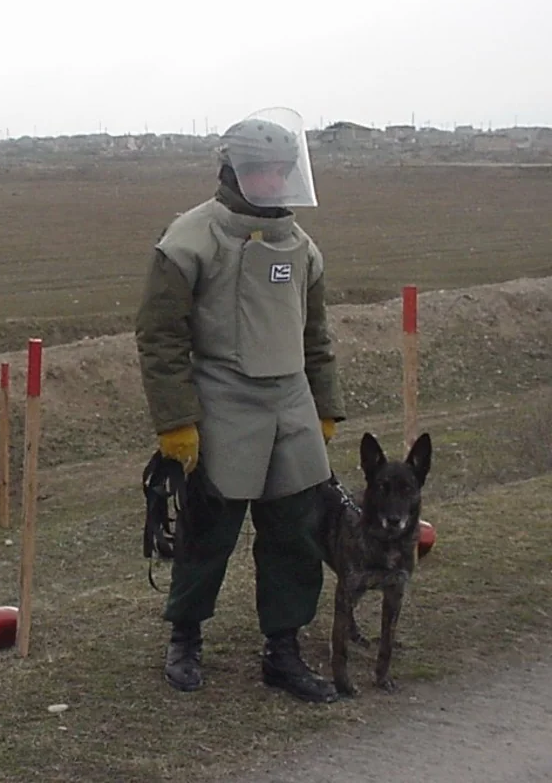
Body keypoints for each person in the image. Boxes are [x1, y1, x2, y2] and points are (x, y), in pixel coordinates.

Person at [134, 107, 346, 704]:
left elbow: (316, 337)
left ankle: (284, 650)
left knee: (295, 537)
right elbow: (161, 337)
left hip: (291, 405)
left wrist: (323, 406)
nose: (275, 182)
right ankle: (185, 637)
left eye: (284, 171)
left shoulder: (302, 248)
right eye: (264, 171)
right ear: (233, 169)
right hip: (221, 402)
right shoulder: (189, 240)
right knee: (208, 534)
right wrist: (177, 423)